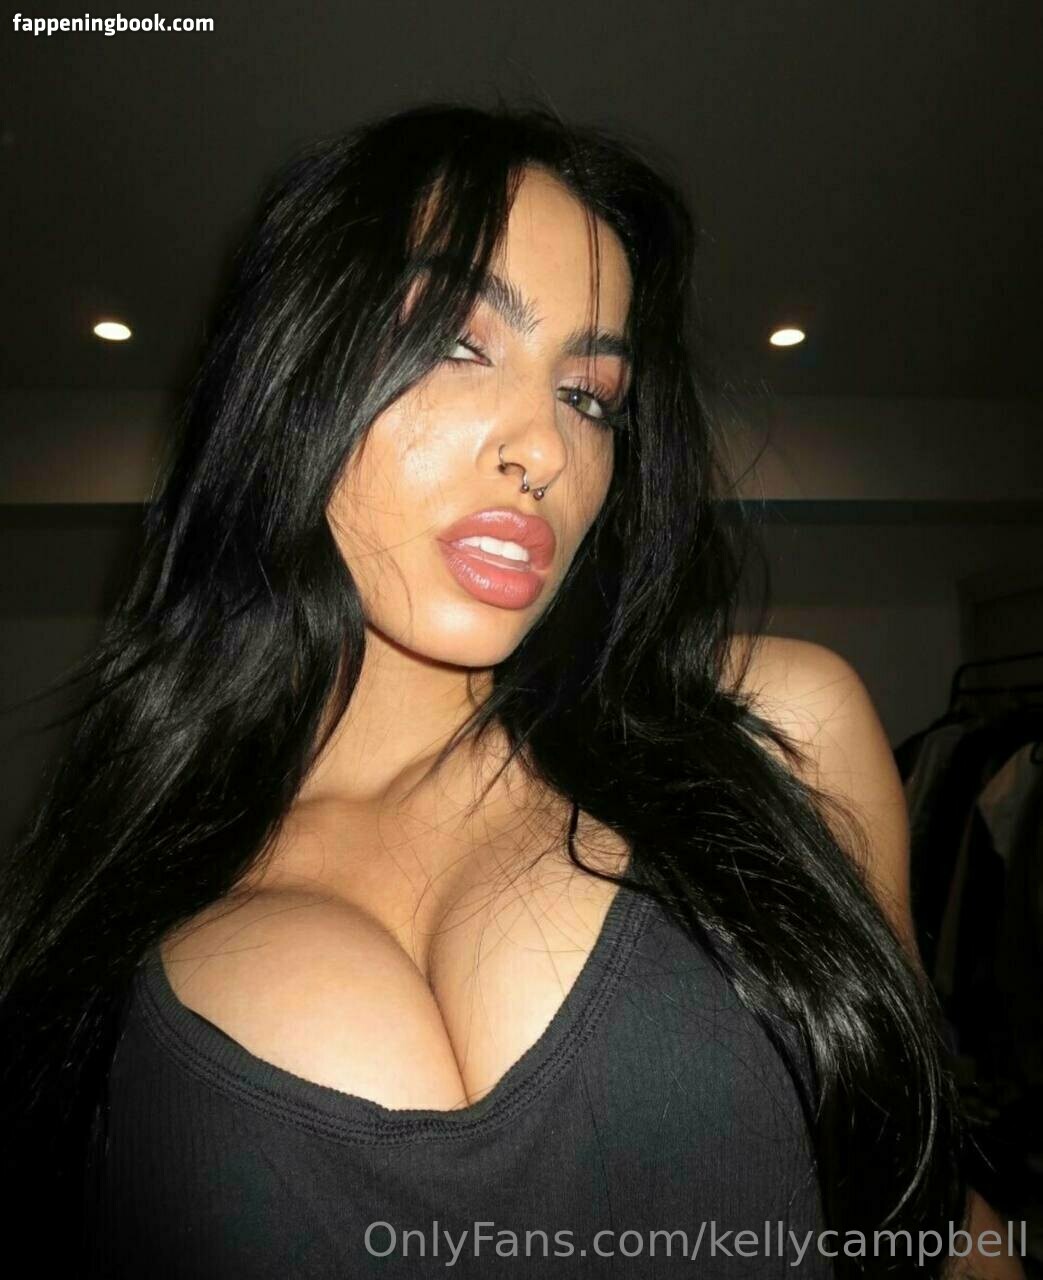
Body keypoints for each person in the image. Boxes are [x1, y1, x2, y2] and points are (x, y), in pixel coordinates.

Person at [0, 102, 1020, 1278]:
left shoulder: (776, 731)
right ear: (294, 368)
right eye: (453, 341)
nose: (543, 448)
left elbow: (929, 1207)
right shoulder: (125, 886)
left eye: (588, 395)